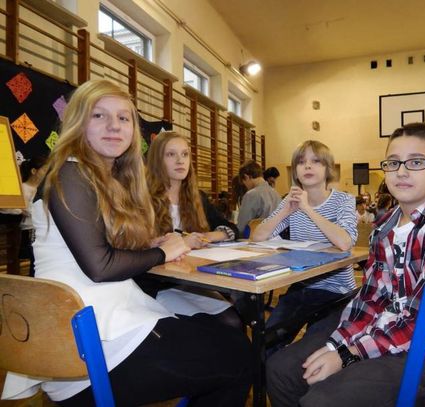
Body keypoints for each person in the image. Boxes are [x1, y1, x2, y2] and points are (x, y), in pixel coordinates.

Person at [1, 80, 252, 407]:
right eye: (99, 116)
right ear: (78, 122)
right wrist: (163, 251)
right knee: (241, 356)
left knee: (220, 333)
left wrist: (149, 245)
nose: (114, 126)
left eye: (123, 118)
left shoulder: (96, 177)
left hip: (95, 331)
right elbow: (100, 266)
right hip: (89, 351)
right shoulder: (70, 173)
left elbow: (93, 247)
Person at [266, 122, 425, 407]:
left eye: (416, 162)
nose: (401, 172)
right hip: (382, 325)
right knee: (281, 371)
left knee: (321, 400)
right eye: (393, 163)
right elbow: (371, 297)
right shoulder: (385, 226)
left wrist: (348, 354)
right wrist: (337, 343)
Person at [252, 140, 358, 354]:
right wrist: (285, 211)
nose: (307, 166)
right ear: (295, 171)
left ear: (328, 168)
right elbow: (257, 237)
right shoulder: (291, 201)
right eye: (301, 162)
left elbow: (345, 242)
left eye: (316, 161)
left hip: (336, 291)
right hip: (302, 285)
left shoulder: (344, 200)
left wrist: (308, 209)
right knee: (265, 343)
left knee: (313, 350)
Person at [144, 131, 241, 324]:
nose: (180, 160)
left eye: (185, 154)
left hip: (193, 281)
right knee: (225, 323)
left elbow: (231, 229)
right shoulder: (142, 198)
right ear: (157, 160)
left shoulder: (198, 197)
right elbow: (136, 245)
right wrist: (183, 242)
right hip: (158, 286)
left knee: (235, 319)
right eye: (171, 154)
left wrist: (208, 236)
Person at [236, 159, 281, 236]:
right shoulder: (276, 194)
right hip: (276, 237)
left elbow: (241, 227)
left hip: (256, 238)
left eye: (244, 183)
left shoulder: (251, 195)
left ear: (246, 177)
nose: (246, 186)